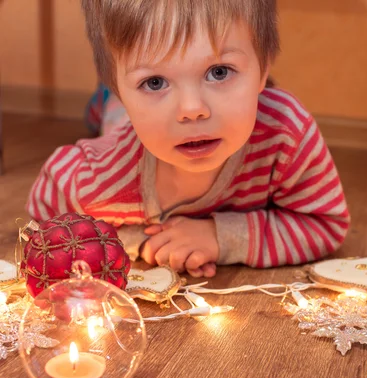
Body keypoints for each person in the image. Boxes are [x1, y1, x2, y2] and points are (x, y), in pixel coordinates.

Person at [27, 0, 350, 279]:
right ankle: (106, 103)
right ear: (120, 87)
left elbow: (325, 224)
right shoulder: (99, 175)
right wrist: (137, 238)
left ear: (264, 67)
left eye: (219, 72)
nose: (192, 110)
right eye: (154, 82)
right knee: (113, 121)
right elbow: (46, 224)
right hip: (121, 126)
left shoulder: (285, 132)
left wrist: (221, 237)